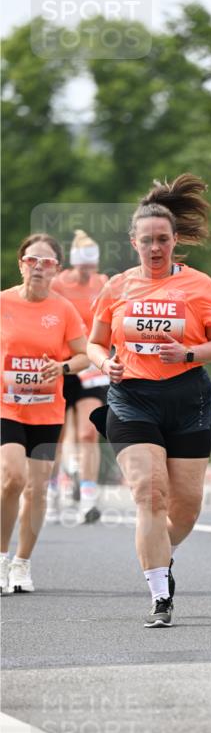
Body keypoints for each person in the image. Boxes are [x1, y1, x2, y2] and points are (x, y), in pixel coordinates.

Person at [87, 174, 211, 627]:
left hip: (188, 399)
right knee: (150, 493)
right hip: (132, 397)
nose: (155, 248)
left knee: (185, 508)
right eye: (147, 240)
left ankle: (161, 555)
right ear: (134, 242)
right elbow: (94, 343)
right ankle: (159, 595)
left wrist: (187, 353)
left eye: (163, 240)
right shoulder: (116, 287)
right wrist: (104, 363)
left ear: (175, 240)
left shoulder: (199, 286)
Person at [1, 234, 88, 593]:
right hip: (6, 406)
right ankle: (0, 558)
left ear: (56, 269)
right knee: (12, 477)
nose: (38, 267)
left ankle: (21, 564)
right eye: (32, 260)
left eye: (47, 262)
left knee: (37, 490)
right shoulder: (3, 302)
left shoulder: (63, 310)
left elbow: (84, 355)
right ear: (21, 264)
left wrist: (62, 368)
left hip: (46, 411)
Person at [48, 230, 109, 524]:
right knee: (56, 437)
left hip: (91, 366)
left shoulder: (103, 283)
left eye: (91, 265)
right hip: (62, 365)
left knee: (87, 432)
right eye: (82, 265)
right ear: (74, 262)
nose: (87, 271)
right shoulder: (58, 284)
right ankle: (51, 494)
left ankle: (87, 499)